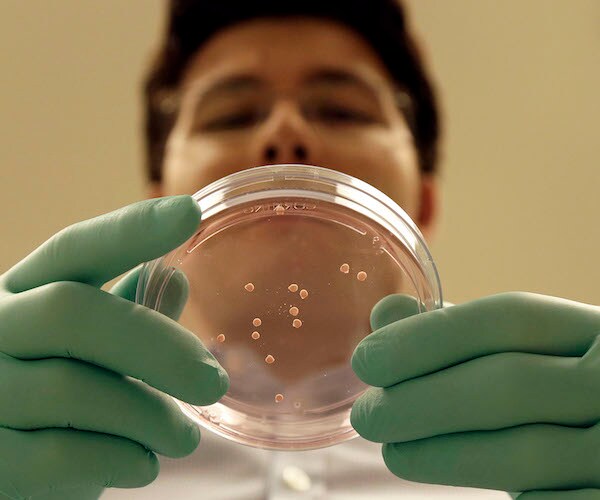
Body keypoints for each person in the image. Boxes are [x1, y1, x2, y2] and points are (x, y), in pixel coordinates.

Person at [0, 1, 598, 499]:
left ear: (423, 206)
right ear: (156, 202)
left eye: (342, 110)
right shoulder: (51, 454)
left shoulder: (541, 461)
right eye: (231, 114)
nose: (285, 133)